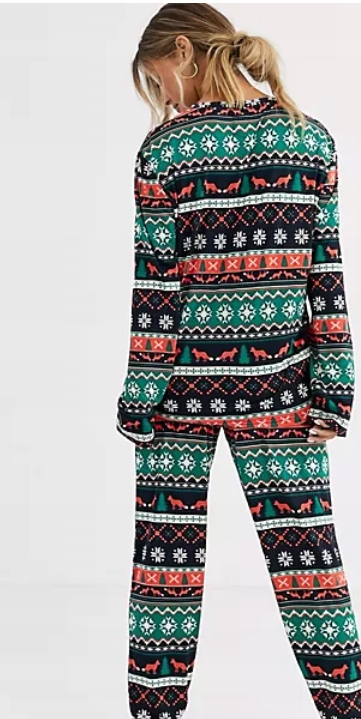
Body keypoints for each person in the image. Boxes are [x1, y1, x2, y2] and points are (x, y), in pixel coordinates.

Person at [115, 4, 359, 719]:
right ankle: (346, 708)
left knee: (164, 573)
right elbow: (325, 276)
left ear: (182, 52)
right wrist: (334, 392)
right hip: (284, 391)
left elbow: (157, 292)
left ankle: (155, 712)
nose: (163, 97)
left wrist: (137, 401)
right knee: (311, 571)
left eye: (157, 79)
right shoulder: (309, 139)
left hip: (178, 398)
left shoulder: (163, 153)